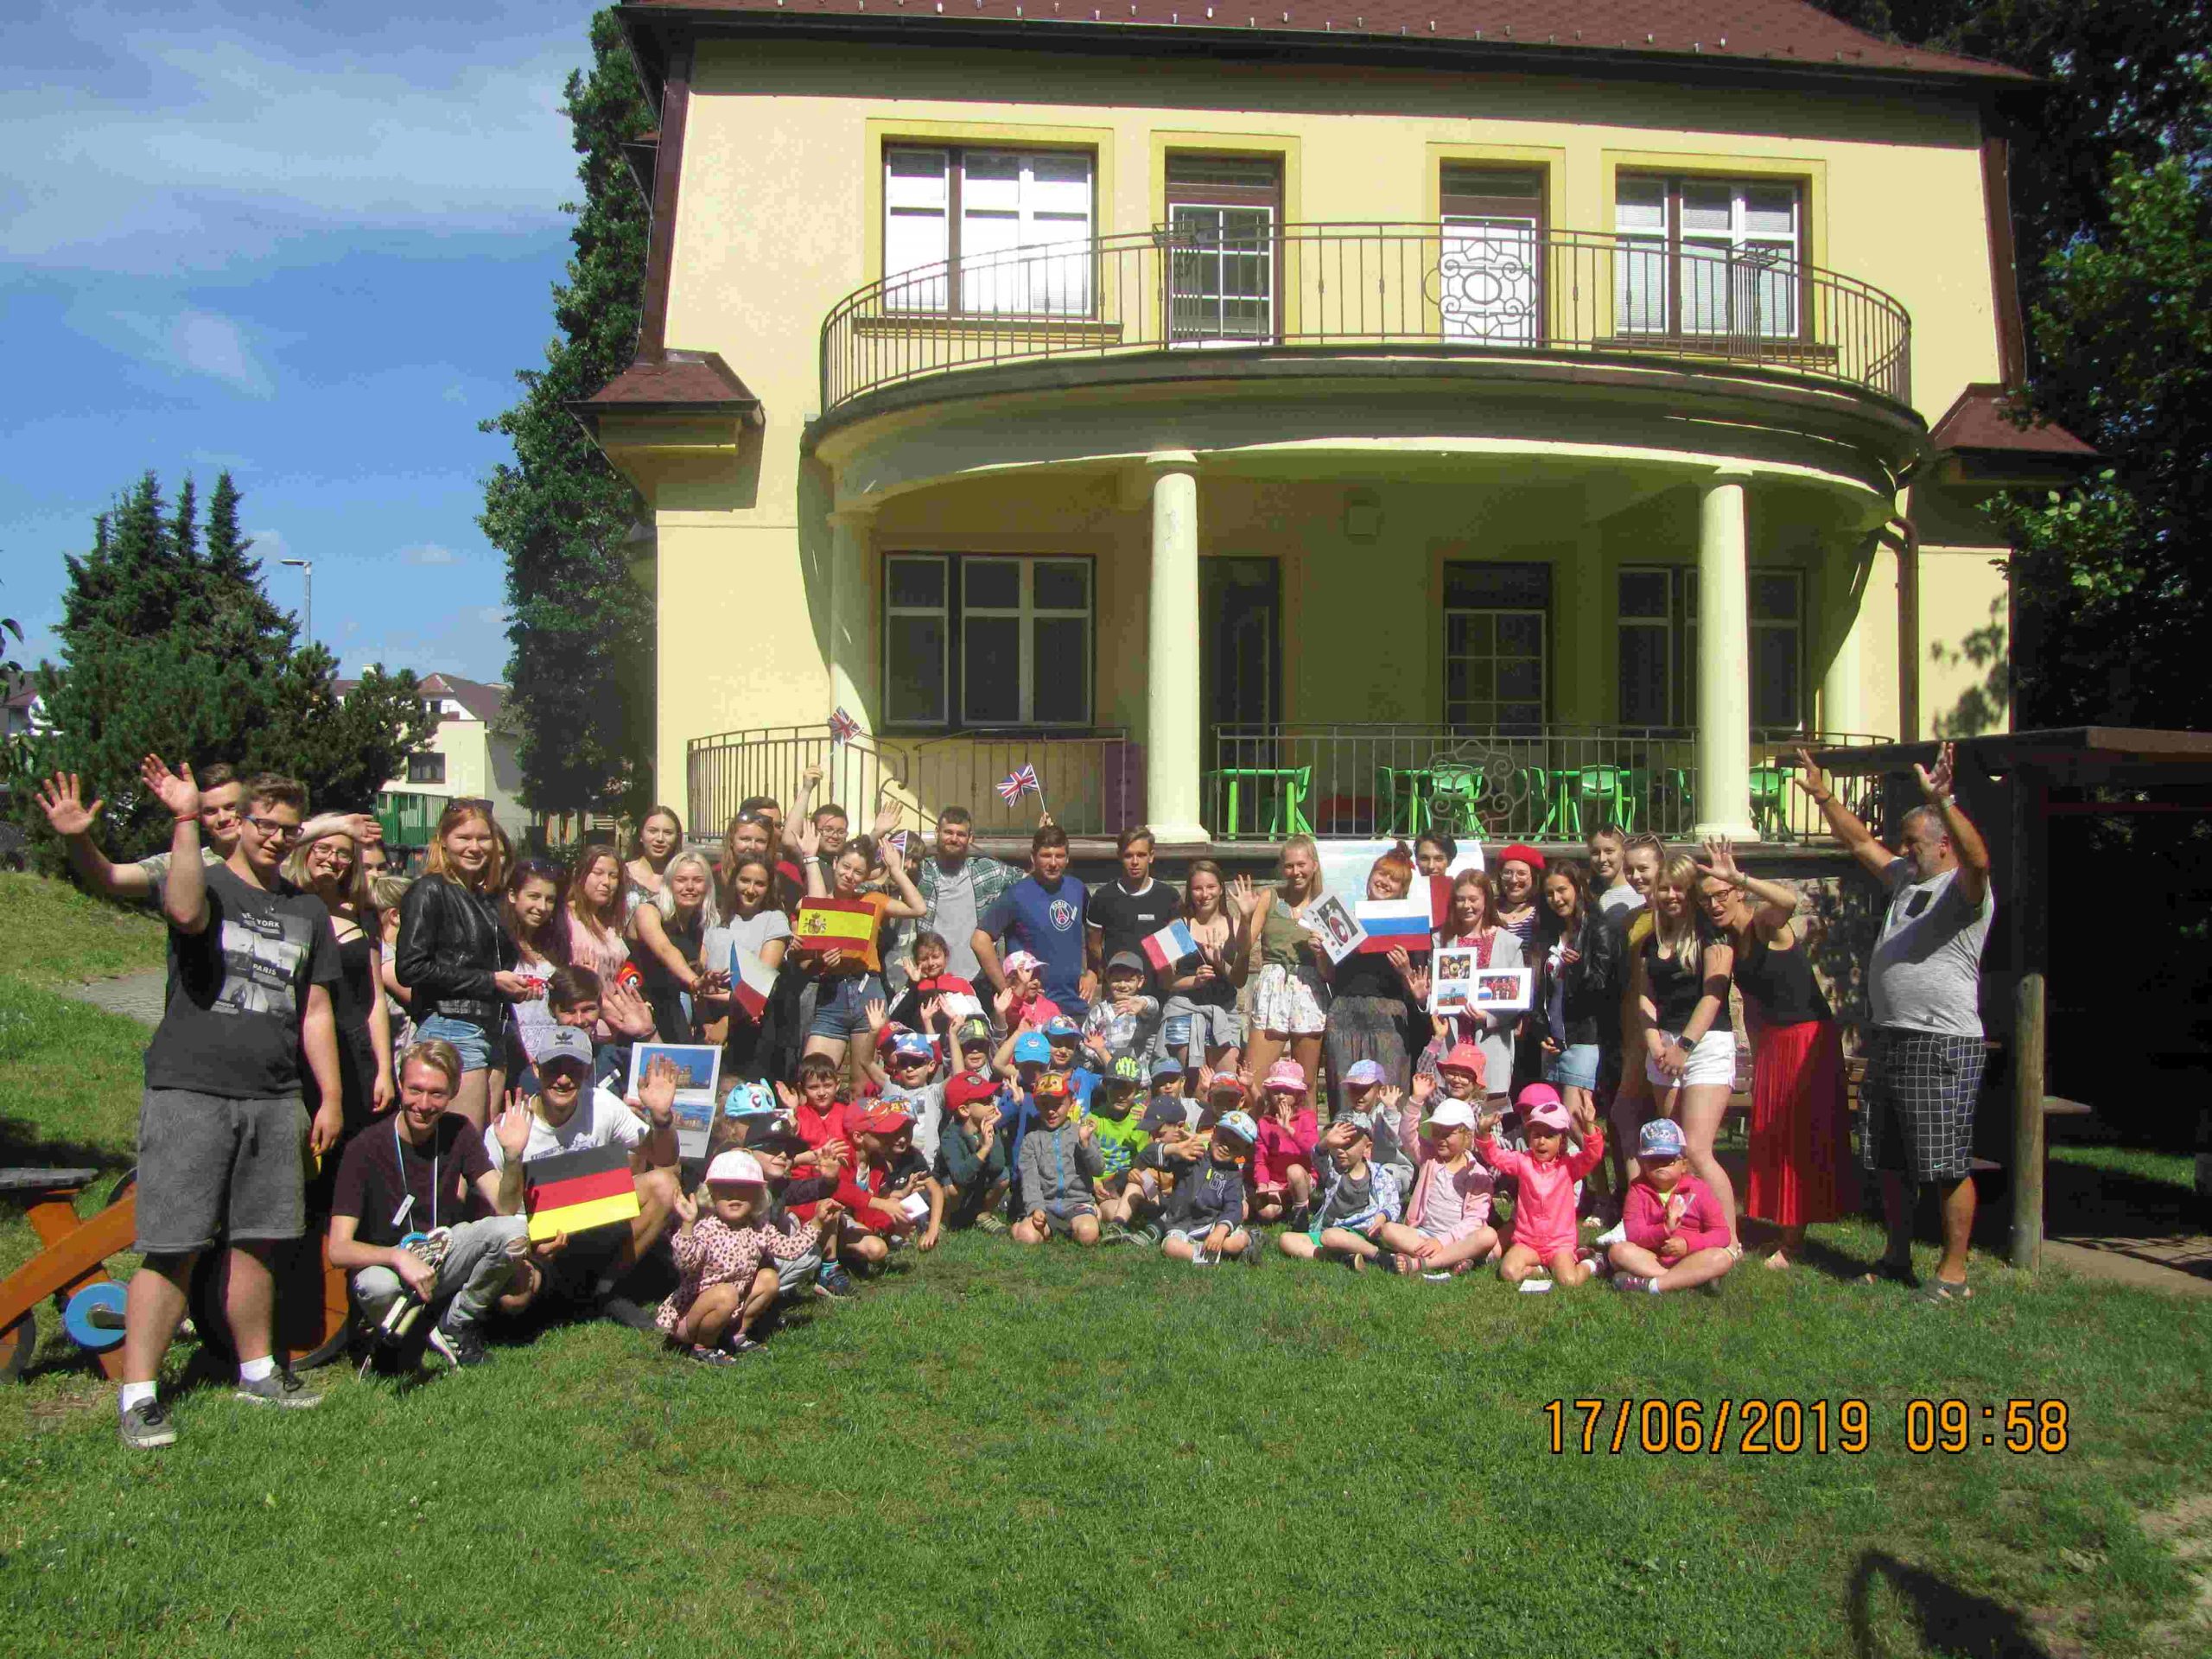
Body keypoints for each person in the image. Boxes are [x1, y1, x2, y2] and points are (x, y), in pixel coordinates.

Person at [112, 758, 346, 1448]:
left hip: (275, 1098)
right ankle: (140, 1396)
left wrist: (329, 1095)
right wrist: (186, 816)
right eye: (264, 824)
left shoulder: (308, 911)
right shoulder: (207, 883)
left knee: (260, 1240)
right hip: (191, 1090)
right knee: (173, 1245)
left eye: (288, 829)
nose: (275, 837)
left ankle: (257, 1372)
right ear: (239, 823)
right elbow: (184, 912)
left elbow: (315, 1010)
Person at [1796, 741, 1994, 1301]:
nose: (1903, 851)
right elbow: (1861, 842)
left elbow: (1980, 862)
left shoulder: (1965, 890)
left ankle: (1953, 1275)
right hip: (1890, 1038)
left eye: (1913, 843)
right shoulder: (1908, 880)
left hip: (1941, 1042)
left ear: (1945, 844)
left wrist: (1945, 800)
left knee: (1945, 1162)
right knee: (1888, 1158)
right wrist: (1824, 796)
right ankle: (1896, 1259)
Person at [327, 1041, 532, 1370]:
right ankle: (401, 1337)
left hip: (442, 1254)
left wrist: (513, 1156)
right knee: (375, 1285)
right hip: (392, 1268)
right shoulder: (363, 1148)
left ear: (453, 1092)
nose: (423, 1104)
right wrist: (396, 1257)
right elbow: (338, 1250)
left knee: (514, 1232)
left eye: (437, 1093)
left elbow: (505, 1208)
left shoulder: (459, 1131)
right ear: (400, 1085)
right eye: (415, 1090)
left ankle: (456, 1324)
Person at [1692, 836, 1844, 1270]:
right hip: (1774, 1044)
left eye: (1722, 894)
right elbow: (1755, 1008)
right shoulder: (1732, 941)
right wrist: (1760, 1059)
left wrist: (1739, 876)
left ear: (1738, 893)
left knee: (1799, 1138)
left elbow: (1789, 901)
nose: (1715, 904)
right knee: (1774, 1135)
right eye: (1707, 899)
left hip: (1807, 1040)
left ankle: (1793, 1243)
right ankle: (1785, 1227)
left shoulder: (1764, 924)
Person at [486, 1033, 683, 1319]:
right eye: (554, 1068)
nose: (563, 1079)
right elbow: (499, 1213)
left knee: (664, 1185)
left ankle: (604, 1290)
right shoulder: (507, 1127)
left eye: (574, 1069)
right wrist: (529, 1245)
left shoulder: (602, 1104)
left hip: (597, 1226)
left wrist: (662, 1119)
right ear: (536, 1069)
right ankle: (557, 1292)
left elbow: (664, 1158)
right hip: (538, 1241)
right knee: (511, 1301)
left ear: (588, 1071)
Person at [1630, 852, 1740, 1249]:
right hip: (1664, 1046)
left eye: (1679, 888)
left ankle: (1729, 1239)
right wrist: (1655, 1041)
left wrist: (1684, 1047)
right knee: (1674, 1150)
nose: (1671, 895)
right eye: (1665, 888)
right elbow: (1645, 996)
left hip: (1705, 1045)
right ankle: (1686, 1229)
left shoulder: (1712, 936)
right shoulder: (1652, 941)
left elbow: (1714, 995)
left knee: (1697, 1149)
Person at [283, 817, 397, 1192]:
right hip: (299, 1052)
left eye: (344, 854)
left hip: (356, 1051)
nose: (333, 859)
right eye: (324, 848)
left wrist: (384, 1069)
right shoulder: (283, 900)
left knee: (356, 1164)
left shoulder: (362, 912)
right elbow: (276, 839)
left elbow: (375, 997)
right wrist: (335, 824)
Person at [397, 798, 524, 1131]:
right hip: (452, 1025)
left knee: (482, 1142)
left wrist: (509, 987)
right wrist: (490, 981)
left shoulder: (484, 897)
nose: (475, 847)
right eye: (464, 838)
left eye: (483, 838)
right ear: (443, 841)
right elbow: (410, 968)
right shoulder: (429, 890)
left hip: (491, 1027)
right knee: (461, 1145)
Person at [658, 1149, 834, 1362]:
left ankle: (736, 1335)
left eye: (744, 1191)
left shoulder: (758, 1228)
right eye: (725, 1191)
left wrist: (817, 1222)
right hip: (692, 1315)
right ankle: (703, 1346)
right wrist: (688, 1224)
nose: (735, 1197)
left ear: (757, 1197)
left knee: (769, 1278)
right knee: (726, 1293)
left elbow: (790, 1249)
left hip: (730, 1308)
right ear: (712, 1194)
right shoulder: (707, 1228)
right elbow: (686, 1262)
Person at [798, 828, 927, 1074]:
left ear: (865, 876)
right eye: (846, 867)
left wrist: (896, 869)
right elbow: (805, 955)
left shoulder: (872, 900)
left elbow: (918, 908)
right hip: (831, 995)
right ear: (835, 863)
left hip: (868, 991)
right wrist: (811, 858)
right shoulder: (816, 902)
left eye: (858, 872)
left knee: (864, 1085)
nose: (849, 875)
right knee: (812, 1074)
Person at [35, 763, 243, 903]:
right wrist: (77, 838)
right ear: (200, 817)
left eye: (231, 807)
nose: (223, 818)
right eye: (210, 811)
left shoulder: (265, 862)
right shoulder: (185, 865)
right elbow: (110, 877)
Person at [1323, 844, 1428, 1115]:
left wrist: (1405, 970)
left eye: (1394, 879)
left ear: (1402, 890)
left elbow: (1417, 991)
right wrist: (1321, 952)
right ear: (1370, 876)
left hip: (1388, 1018)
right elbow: (1329, 976)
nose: (1384, 882)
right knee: (1346, 1097)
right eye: (1381, 874)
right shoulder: (1344, 918)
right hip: (1344, 1015)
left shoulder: (1411, 926)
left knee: (1388, 1099)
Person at [1478, 1084, 1606, 1287]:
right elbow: (1495, 1156)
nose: (1542, 1142)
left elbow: (1593, 1155)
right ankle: (1540, 1269)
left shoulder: (1569, 1167)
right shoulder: (1523, 1162)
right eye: (1536, 1135)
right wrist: (1484, 1134)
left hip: (1559, 1244)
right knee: (1508, 1272)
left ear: (1562, 1141)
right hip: (1528, 1242)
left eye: (1549, 1136)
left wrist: (1589, 1126)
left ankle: (1592, 1263)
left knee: (1569, 1281)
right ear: (1529, 1138)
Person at [1234, 835, 1329, 1102]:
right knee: (1253, 1081)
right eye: (1289, 866)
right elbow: (1243, 947)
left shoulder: (1326, 905)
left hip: (1310, 988)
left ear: (1314, 865)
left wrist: (1321, 954)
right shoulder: (1270, 897)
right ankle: (1256, 1129)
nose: (1296, 872)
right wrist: (1245, 917)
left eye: (1301, 864)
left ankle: (1305, 1131)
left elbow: (1330, 972)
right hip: (1273, 986)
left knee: (1306, 1086)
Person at [1532, 859, 1621, 1131]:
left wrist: (1578, 968)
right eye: (1549, 893)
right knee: (1554, 1121)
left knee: (1575, 1119)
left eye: (1562, 890)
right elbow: (1542, 990)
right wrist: (1541, 1028)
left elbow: (1603, 987)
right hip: (1554, 1039)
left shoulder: (1597, 928)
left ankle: (1592, 1159)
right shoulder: (1549, 933)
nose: (1556, 899)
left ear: (1578, 888)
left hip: (1584, 1037)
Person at [973, 823, 1092, 1021]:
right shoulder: (1016, 894)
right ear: (1033, 857)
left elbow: (1094, 933)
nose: (1053, 863)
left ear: (1067, 858)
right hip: (1032, 1009)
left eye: (1059, 856)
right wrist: (1006, 989)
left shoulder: (1077, 889)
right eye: (1046, 855)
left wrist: (1093, 973)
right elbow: (979, 940)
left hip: (1075, 1006)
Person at [1607, 1117, 1736, 1295]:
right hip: (1655, 1258)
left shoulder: (1699, 1189)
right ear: (1642, 1163)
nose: (1660, 1165)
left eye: (1668, 1159)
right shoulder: (1637, 1191)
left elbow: (1722, 1234)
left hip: (1693, 1256)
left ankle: (1653, 1285)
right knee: (1618, 1252)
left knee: (1722, 1257)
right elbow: (1635, 1235)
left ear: (1684, 1164)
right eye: (1652, 1159)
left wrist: (1687, 1244)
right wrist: (1665, 1230)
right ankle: (1692, 1279)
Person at [1427, 868, 1521, 1110]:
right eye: (1460, 899)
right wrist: (1422, 997)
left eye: (1473, 899)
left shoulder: (1508, 943)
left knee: (1490, 1119)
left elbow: (1517, 999)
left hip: (1491, 1043)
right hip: (1452, 1041)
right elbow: (1433, 993)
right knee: (1450, 1120)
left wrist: (1488, 1017)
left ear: (1486, 900)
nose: (1466, 905)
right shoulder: (1440, 940)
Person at [697, 851, 795, 1082]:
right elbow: (700, 973)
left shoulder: (774, 919)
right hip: (708, 1021)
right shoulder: (715, 918)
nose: (751, 889)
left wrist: (726, 1022)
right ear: (734, 881)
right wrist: (706, 1022)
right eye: (745, 880)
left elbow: (759, 983)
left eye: (759, 884)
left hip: (750, 1023)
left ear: (769, 887)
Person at [1376, 1097, 1498, 1279]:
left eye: (1447, 1134)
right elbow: (1407, 1134)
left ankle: (1421, 1263)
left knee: (1488, 1236)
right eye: (1436, 1132)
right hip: (1425, 1234)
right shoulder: (1429, 1158)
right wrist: (1416, 1100)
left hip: (1459, 1238)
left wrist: (1441, 1242)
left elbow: (1474, 1220)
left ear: (1467, 1136)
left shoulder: (1476, 1173)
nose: (1440, 1139)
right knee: (1388, 1230)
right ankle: (1454, 1259)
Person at [1277, 1116, 1403, 1269]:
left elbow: (1393, 1204)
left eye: (1348, 1145)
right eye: (1337, 1145)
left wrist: (1383, 1215)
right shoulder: (1333, 1171)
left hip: (1358, 1232)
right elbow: (1317, 1156)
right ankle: (1341, 1257)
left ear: (1367, 1148)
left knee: (1331, 1236)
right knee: (1286, 1239)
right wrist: (1325, 1143)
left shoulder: (1379, 1175)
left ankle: (1378, 1255)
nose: (1341, 1151)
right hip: (1327, 1230)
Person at [913, 805, 1020, 983]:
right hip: (933, 976)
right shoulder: (922, 871)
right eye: (948, 832)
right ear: (937, 833)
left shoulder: (986, 869)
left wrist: (1043, 839)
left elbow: (1029, 881)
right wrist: (878, 833)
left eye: (961, 834)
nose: (954, 839)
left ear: (970, 838)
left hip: (979, 978)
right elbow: (881, 870)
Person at [1159, 858, 1243, 1072]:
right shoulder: (1180, 926)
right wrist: (1194, 981)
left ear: (1221, 889)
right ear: (1190, 892)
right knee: (1193, 1084)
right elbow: (1164, 981)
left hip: (1224, 1013)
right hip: (1184, 1011)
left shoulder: (1235, 926)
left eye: (1211, 887)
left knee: (1227, 1083)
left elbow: (1240, 980)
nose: (1205, 894)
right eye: (1198, 888)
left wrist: (1219, 963)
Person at [630, 849, 718, 1044]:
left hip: (670, 1007)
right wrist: (695, 982)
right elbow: (665, 950)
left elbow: (696, 974)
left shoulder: (699, 923)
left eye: (697, 880)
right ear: (669, 883)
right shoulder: (648, 911)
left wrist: (706, 1021)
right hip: (637, 1006)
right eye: (681, 880)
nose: (690, 887)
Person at [1085, 827, 1181, 1000]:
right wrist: (1116, 973)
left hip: (1157, 998)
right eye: (1129, 855)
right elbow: (1094, 947)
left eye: (1141, 855)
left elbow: (1175, 952)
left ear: (1151, 856)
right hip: (1118, 998)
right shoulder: (1103, 897)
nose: (1135, 862)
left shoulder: (1169, 896)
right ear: (1119, 856)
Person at [1012, 1076, 1105, 1246]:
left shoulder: (1081, 1133)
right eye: (1044, 1105)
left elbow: (1098, 1169)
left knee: (1088, 1234)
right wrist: (1036, 1207)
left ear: (1071, 1102)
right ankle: (1024, 1225)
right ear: (1037, 1105)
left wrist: (1085, 1144)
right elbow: (1030, 1180)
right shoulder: (1031, 1140)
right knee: (1027, 1236)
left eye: (1057, 1104)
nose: (1051, 1111)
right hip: (1046, 1206)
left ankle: (1086, 1219)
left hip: (1077, 1204)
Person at [500, 858, 571, 1077]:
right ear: (513, 895)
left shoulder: (557, 945)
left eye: (549, 900)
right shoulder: (499, 943)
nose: (542, 907)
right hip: (509, 1052)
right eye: (534, 896)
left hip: (550, 1054)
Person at [1159, 1111, 1261, 1264]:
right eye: (1223, 1139)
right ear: (1214, 1133)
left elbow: (1234, 1208)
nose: (1225, 1147)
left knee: (1236, 1242)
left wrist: (1220, 1230)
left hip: (1211, 1225)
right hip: (1181, 1223)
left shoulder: (1233, 1176)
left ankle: (1249, 1239)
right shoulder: (1192, 1156)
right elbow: (1154, 1157)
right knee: (1170, 1246)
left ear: (1242, 1152)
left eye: (1234, 1147)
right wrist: (1174, 1147)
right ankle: (1206, 1256)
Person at [1249, 1058, 1319, 1226]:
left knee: (1294, 1171)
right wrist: (1263, 1184)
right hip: (1276, 1182)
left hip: (1301, 1179)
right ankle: (1286, 1204)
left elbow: (1313, 1150)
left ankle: (1300, 1211)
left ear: (1298, 1095)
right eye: (1276, 1091)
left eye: (1287, 1091)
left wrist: (1290, 1130)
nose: (1281, 1096)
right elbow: (1260, 1160)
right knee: (1265, 1213)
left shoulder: (1307, 1118)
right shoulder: (1265, 1123)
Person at [565, 844, 634, 990]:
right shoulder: (565, 917)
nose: (606, 882)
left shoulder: (615, 923)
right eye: (598, 873)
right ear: (580, 875)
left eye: (613, 876)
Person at [1081, 951, 1160, 1069]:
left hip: (1138, 1074)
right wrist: (1103, 1058)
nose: (1122, 985)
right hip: (1104, 1072)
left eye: (1129, 980)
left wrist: (1143, 1003)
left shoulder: (1140, 1008)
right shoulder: (1098, 1011)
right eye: (1117, 980)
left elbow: (1153, 1006)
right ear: (1108, 979)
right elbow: (1085, 1042)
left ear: (1140, 981)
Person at [623, 804, 683, 918]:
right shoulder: (622, 874)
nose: (660, 838)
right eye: (653, 831)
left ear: (677, 838)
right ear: (641, 835)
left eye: (668, 833)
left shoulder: (683, 878)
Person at [1492, 843, 1544, 949]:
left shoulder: (1543, 912)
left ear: (1533, 877)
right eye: (1507, 873)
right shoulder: (1489, 910)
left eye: (1521, 873)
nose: (1513, 880)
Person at [1586, 824, 1638, 915]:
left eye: (1609, 851)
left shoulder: (1641, 894)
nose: (1602, 859)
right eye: (1595, 853)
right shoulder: (1589, 896)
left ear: (1624, 851)